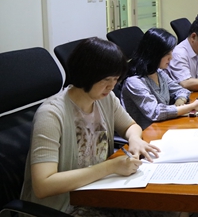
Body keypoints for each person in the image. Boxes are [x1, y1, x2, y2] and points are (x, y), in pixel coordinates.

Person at [20, 37, 164, 216]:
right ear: (86, 74)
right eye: (106, 79)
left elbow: (130, 125)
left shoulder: (105, 99)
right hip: (64, 207)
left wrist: (135, 139)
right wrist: (110, 167)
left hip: (98, 193)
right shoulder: (51, 114)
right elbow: (43, 185)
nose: (112, 86)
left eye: (116, 79)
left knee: (166, 207)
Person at [121, 28, 198, 130]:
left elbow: (182, 90)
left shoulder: (159, 72)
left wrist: (180, 102)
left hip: (164, 125)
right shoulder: (134, 81)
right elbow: (156, 112)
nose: (171, 58)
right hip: (145, 132)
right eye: (167, 54)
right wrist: (192, 106)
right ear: (154, 53)